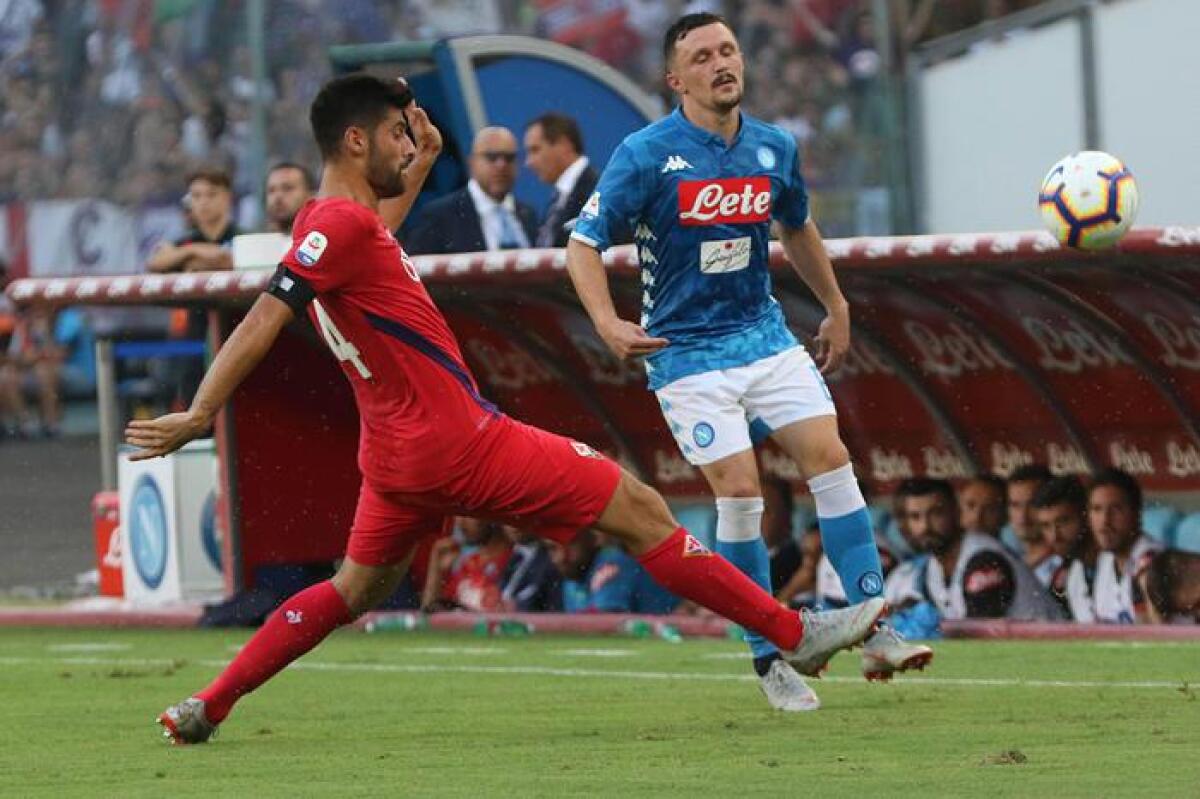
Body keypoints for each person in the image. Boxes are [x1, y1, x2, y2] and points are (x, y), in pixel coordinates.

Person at [129, 74, 885, 744]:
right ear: (356, 140)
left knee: (351, 590)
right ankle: (795, 632)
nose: (410, 140)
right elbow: (266, 313)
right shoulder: (340, 226)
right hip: (457, 441)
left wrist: (419, 167)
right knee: (641, 507)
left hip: (392, 461)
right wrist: (201, 412)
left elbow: (368, 242)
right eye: (397, 133)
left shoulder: (330, 224)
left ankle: (210, 701)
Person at [565, 12, 928, 709]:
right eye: (702, 56)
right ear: (677, 79)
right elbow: (583, 243)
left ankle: (875, 627)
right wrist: (607, 320)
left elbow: (796, 225)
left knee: (829, 454)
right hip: (686, 353)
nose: (721, 63)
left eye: (728, 50)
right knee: (740, 489)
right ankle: (769, 654)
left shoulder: (774, 147)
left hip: (762, 335)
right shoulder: (645, 154)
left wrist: (836, 303)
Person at [884, 478, 1064, 622]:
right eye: (916, 517)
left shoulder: (984, 558)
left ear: (956, 511)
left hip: (1050, 655)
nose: (925, 526)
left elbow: (980, 638)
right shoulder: (932, 567)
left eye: (936, 513)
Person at [145, 167, 239, 407]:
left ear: (227, 197)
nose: (203, 202)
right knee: (193, 405)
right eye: (196, 196)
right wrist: (192, 251)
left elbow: (228, 258)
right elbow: (155, 261)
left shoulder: (243, 237)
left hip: (238, 335)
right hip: (193, 342)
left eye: (211, 194)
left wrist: (191, 261)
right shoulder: (184, 241)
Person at [404, 126, 537, 254]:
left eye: (509, 158)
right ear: (472, 162)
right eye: (491, 157)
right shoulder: (439, 216)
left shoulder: (528, 215)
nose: (501, 165)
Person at [1086, 468, 1161, 624]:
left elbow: (1156, 640)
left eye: (1116, 509)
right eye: (1097, 509)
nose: (1105, 521)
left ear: (1136, 513)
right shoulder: (1106, 559)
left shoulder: (1151, 562)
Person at [523, 113, 598, 248]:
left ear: (564, 145)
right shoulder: (558, 200)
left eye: (535, 150)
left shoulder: (596, 192)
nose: (529, 162)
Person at [1031, 476, 1099, 621]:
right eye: (1046, 526)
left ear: (1086, 516)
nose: (1055, 536)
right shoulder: (1069, 574)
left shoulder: (1121, 562)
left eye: (1063, 521)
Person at [1002, 463, 1052, 566]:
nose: (1023, 516)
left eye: (1032, 504)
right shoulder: (1005, 543)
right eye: (1015, 505)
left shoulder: (1063, 562)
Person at [263, 161, 315, 234]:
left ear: (310, 195)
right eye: (271, 190)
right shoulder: (250, 242)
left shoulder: (322, 241)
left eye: (287, 188)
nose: (278, 196)